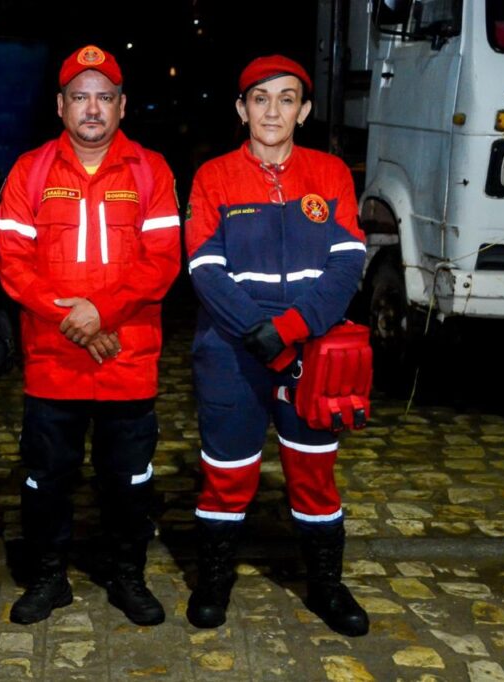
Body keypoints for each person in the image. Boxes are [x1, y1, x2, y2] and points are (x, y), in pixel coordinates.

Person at [184, 55, 369, 636]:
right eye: (260, 99)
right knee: (227, 471)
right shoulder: (213, 176)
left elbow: (348, 263)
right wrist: (257, 333)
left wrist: (289, 331)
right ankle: (214, 581)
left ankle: (326, 586)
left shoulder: (330, 173)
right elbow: (204, 268)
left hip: (311, 348)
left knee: (313, 473)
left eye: (286, 99)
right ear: (241, 110)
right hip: (230, 350)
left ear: (304, 111)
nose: (272, 111)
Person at [0, 45, 181, 626]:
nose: (93, 108)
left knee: (128, 479)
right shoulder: (30, 171)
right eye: (80, 97)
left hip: (128, 356)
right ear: (61, 106)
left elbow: (162, 261)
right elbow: (12, 263)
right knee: (46, 478)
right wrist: (75, 319)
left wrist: (101, 313)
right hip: (54, 358)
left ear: (123, 106)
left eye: (104, 97)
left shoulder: (151, 170)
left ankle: (127, 575)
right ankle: (49, 578)